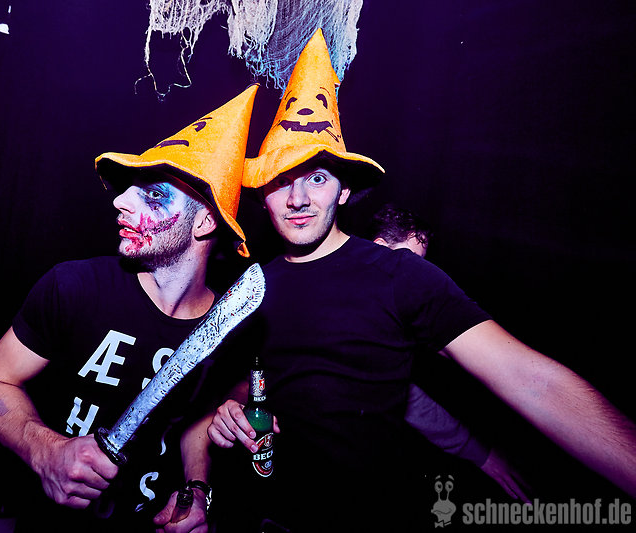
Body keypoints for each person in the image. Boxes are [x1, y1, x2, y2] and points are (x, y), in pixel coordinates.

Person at [204, 30, 636, 531]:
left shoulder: (400, 275)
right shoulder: (251, 289)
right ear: (262, 195)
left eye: (317, 178)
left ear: (344, 192)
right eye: (281, 181)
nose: (298, 198)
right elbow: (250, 382)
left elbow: (532, 380)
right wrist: (230, 409)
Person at [0, 84, 258, 532]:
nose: (120, 201)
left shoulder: (229, 326)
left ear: (204, 221)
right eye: (129, 190)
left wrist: (195, 492)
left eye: (153, 195)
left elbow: (195, 421)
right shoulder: (75, 287)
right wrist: (46, 451)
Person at [368, 203, 529, 501]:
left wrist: (481, 454)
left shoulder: (390, 320)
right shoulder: (335, 295)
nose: (417, 273)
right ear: (379, 249)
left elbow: (404, 396)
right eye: (409, 259)